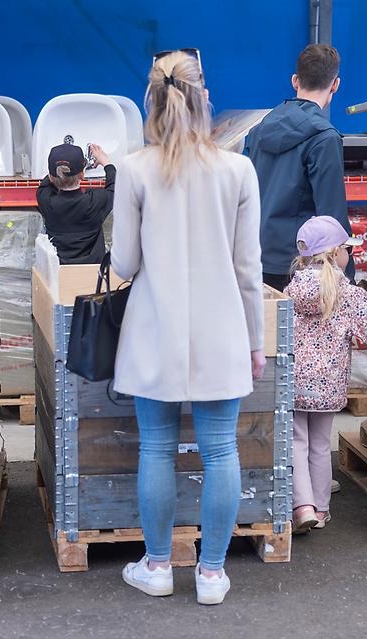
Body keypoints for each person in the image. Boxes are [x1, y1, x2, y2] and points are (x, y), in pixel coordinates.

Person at [111, 49, 264, 606]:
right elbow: (249, 269)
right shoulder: (237, 170)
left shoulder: (134, 169)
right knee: (221, 450)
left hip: (154, 330)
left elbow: (124, 264)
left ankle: (156, 566)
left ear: (151, 100)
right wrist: (256, 342)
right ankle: (212, 574)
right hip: (222, 329)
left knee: (155, 448)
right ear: (205, 97)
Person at [284, 216, 367, 533]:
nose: (350, 255)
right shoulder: (349, 295)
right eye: (347, 249)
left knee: (296, 442)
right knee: (321, 445)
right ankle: (321, 510)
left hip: (293, 381)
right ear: (335, 254)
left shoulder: (292, 291)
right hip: (329, 384)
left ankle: (302, 505)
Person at [244, 43, 354, 291]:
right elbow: (331, 216)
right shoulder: (325, 138)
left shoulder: (257, 131)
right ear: (335, 84)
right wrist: (349, 278)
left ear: (295, 80)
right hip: (302, 267)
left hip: (255, 260)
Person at [36, 142, 114, 264]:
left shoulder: (45, 199)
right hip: (91, 273)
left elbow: (47, 182)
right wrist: (106, 162)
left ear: (51, 176)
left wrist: (59, 171)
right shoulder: (95, 201)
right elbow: (115, 186)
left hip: (58, 274)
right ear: (82, 174)